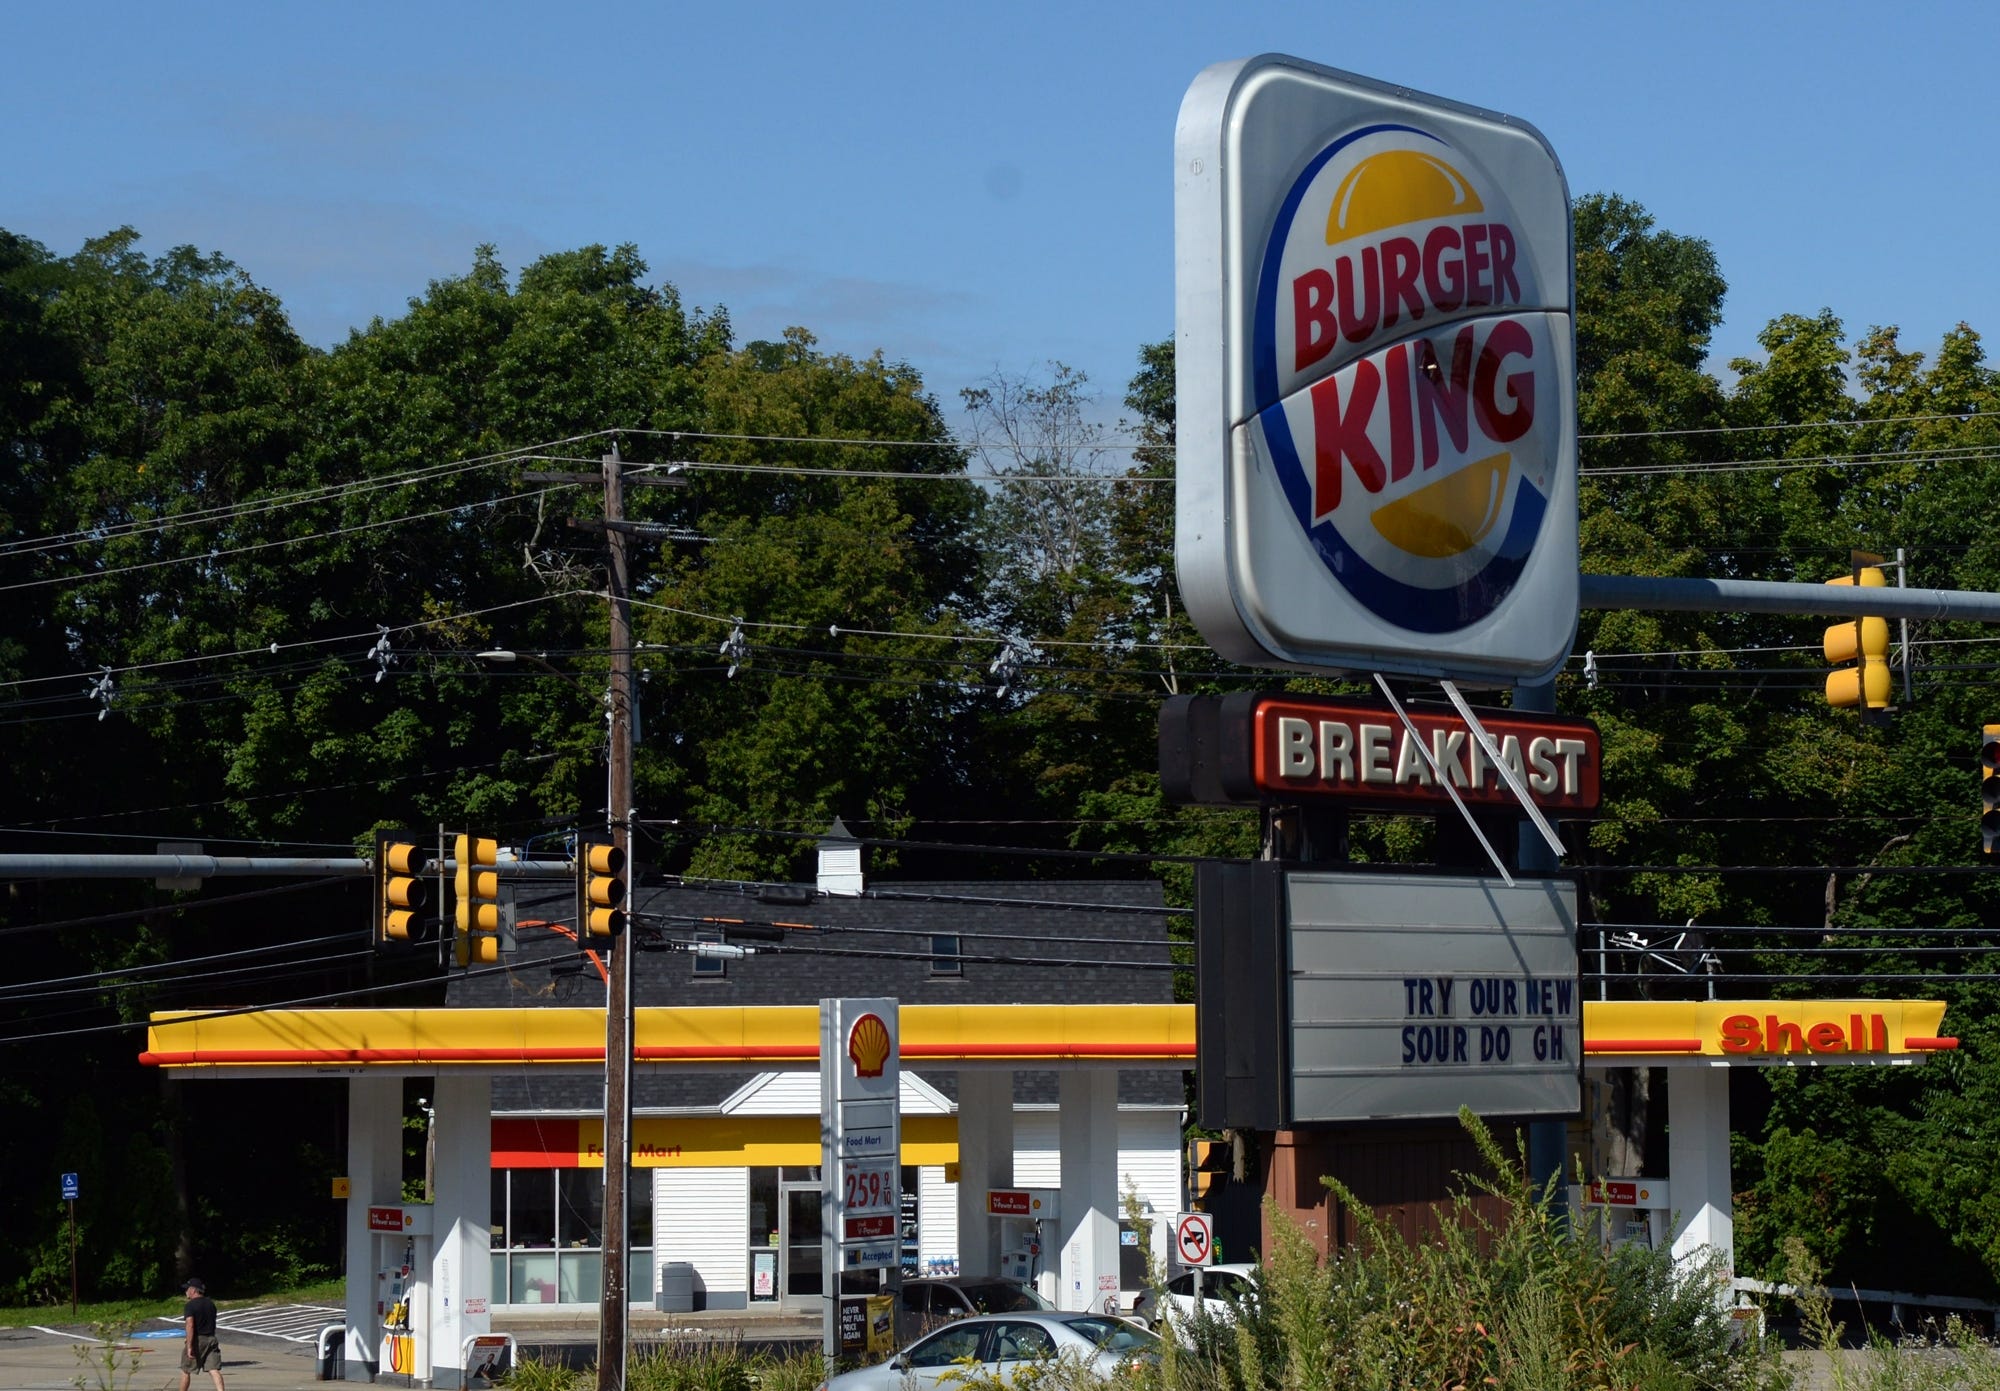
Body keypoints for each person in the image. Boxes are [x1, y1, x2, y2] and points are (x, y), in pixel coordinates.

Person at [179, 1276, 225, 1391]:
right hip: (212, 1339)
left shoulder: (190, 1305)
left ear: (193, 1290)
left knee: (186, 1370)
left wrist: (189, 1346)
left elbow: (190, 1325)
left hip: (198, 1341)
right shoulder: (211, 1304)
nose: (185, 1292)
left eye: (187, 1289)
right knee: (214, 1369)